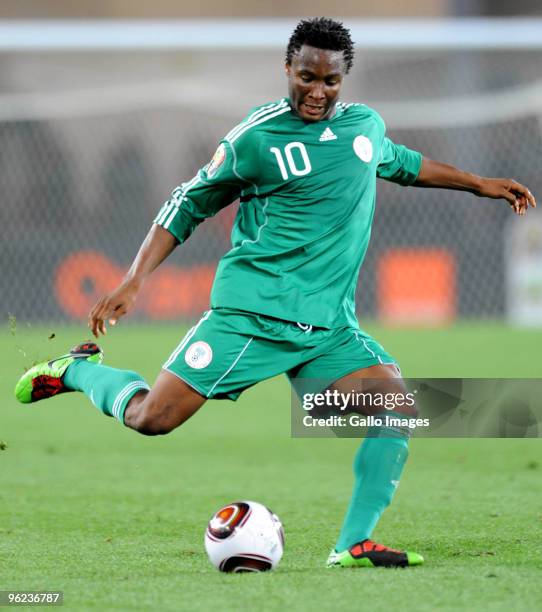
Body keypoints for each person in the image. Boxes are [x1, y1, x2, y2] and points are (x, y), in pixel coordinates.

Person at [15, 17, 536, 569]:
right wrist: (134, 278)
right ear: (287, 69)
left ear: (344, 79)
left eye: (329, 81)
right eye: (306, 76)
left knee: (394, 408)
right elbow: (189, 201)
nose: (317, 91)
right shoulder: (256, 137)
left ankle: (353, 545)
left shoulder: (364, 128)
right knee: (152, 419)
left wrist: (479, 183)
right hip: (253, 317)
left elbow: (403, 164)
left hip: (326, 329)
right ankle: (75, 371)